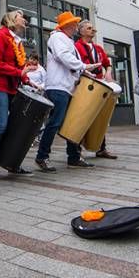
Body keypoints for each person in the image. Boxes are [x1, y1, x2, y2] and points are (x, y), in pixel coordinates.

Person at [35, 11, 101, 172]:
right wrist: (84, 67)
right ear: (66, 26)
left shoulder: (67, 40)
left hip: (65, 87)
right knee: (55, 123)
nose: (75, 27)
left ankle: (73, 157)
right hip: (58, 87)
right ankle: (42, 156)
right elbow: (64, 57)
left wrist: (83, 72)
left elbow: (70, 62)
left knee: (73, 123)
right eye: (73, 24)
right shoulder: (57, 38)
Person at [0, 10, 36, 184]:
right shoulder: (1, 36)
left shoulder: (16, 40)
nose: (24, 20)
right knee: (1, 125)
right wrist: (20, 73)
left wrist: (27, 80)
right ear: (12, 20)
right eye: (21, 17)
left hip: (12, 88)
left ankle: (12, 164)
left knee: (18, 126)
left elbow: (18, 66)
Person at [74, 20, 118, 159]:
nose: (93, 30)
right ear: (81, 31)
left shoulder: (98, 48)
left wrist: (109, 72)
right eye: (89, 28)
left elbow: (107, 63)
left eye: (93, 28)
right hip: (85, 85)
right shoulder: (76, 47)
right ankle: (76, 152)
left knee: (100, 117)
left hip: (100, 84)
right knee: (82, 117)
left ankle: (101, 148)